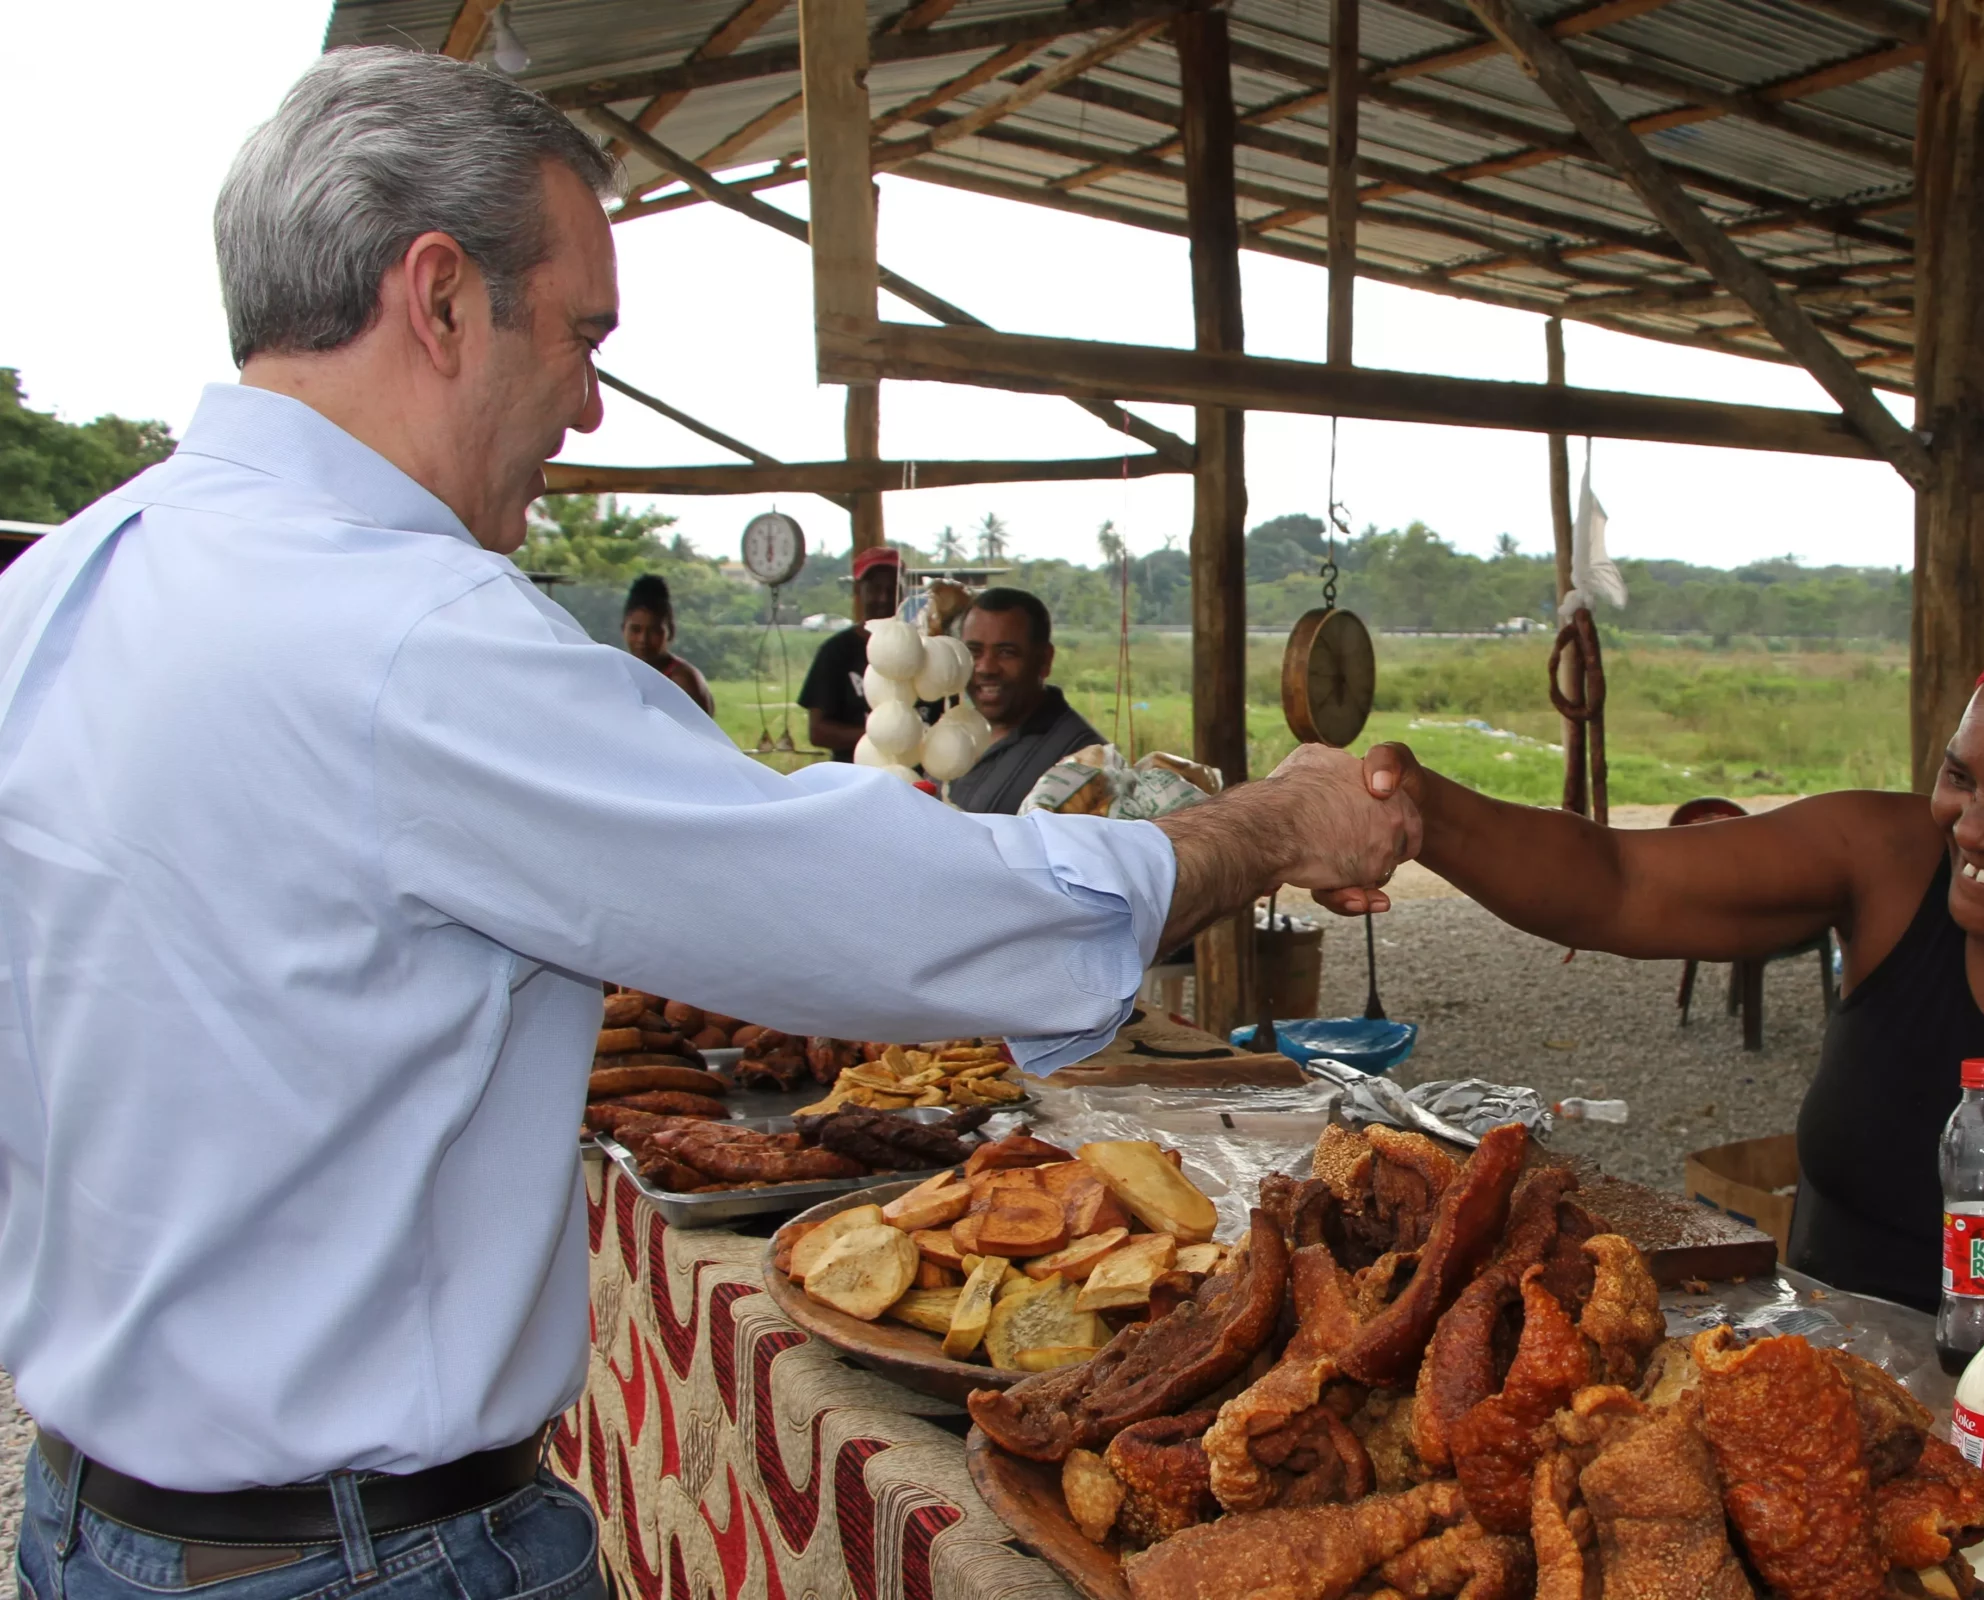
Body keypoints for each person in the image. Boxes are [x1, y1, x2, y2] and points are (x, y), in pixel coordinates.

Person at [0, 49, 1418, 1600]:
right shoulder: (408, 638)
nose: (589, 402)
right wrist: (1261, 835)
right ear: (439, 298)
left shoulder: (62, 589)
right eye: (579, 334)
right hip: (357, 1560)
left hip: (96, 1530)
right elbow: (857, 902)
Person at [1348, 604, 1984, 1312]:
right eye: (1957, 776)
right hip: (1813, 1422)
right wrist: (1422, 812)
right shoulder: (1887, 863)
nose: (1971, 830)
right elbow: (1614, 881)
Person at [948, 587, 1103, 816]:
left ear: (1044, 660)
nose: (986, 668)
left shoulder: (1082, 760)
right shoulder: (953, 727)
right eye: (974, 652)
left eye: (1006, 652)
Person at [799, 544, 900, 759]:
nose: (883, 598)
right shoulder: (835, 652)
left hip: (916, 783)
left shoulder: (923, 649)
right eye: (874, 589)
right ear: (857, 591)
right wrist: (881, 736)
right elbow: (818, 732)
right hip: (855, 777)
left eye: (892, 590)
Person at [620, 572, 713, 715]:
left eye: (654, 631)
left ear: (671, 632)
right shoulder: (617, 673)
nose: (643, 639)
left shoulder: (682, 682)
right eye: (635, 630)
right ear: (623, 629)